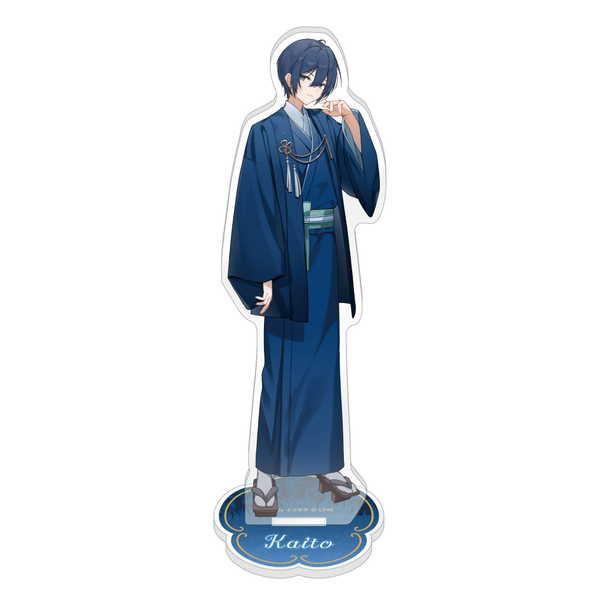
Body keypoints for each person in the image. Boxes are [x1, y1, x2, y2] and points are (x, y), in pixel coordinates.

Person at [227, 38, 380, 516]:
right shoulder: (264, 132)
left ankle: (326, 466)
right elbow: (255, 204)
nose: (316, 88)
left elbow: (361, 184)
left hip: (325, 262)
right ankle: (267, 474)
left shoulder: (327, 128)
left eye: (323, 80)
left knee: (324, 370)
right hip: (288, 265)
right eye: (309, 79)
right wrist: (264, 275)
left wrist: (350, 121)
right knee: (282, 369)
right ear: (290, 77)